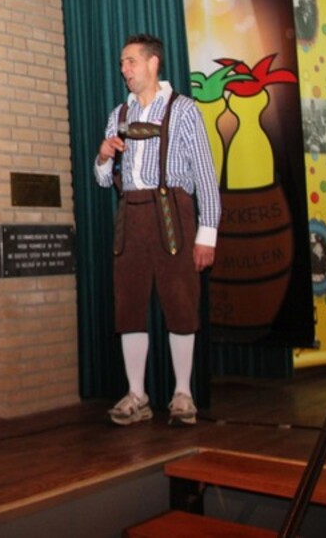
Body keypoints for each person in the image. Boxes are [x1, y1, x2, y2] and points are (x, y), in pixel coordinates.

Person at [94, 34, 221, 427]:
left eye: (130, 61)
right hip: (130, 216)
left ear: (153, 63)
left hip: (173, 214)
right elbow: (103, 180)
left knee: (180, 302)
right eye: (122, 63)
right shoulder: (119, 115)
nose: (124, 69)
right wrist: (103, 156)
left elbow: (205, 175)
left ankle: (183, 393)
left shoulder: (184, 110)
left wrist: (207, 234)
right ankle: (137, 394)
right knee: (129, 305)